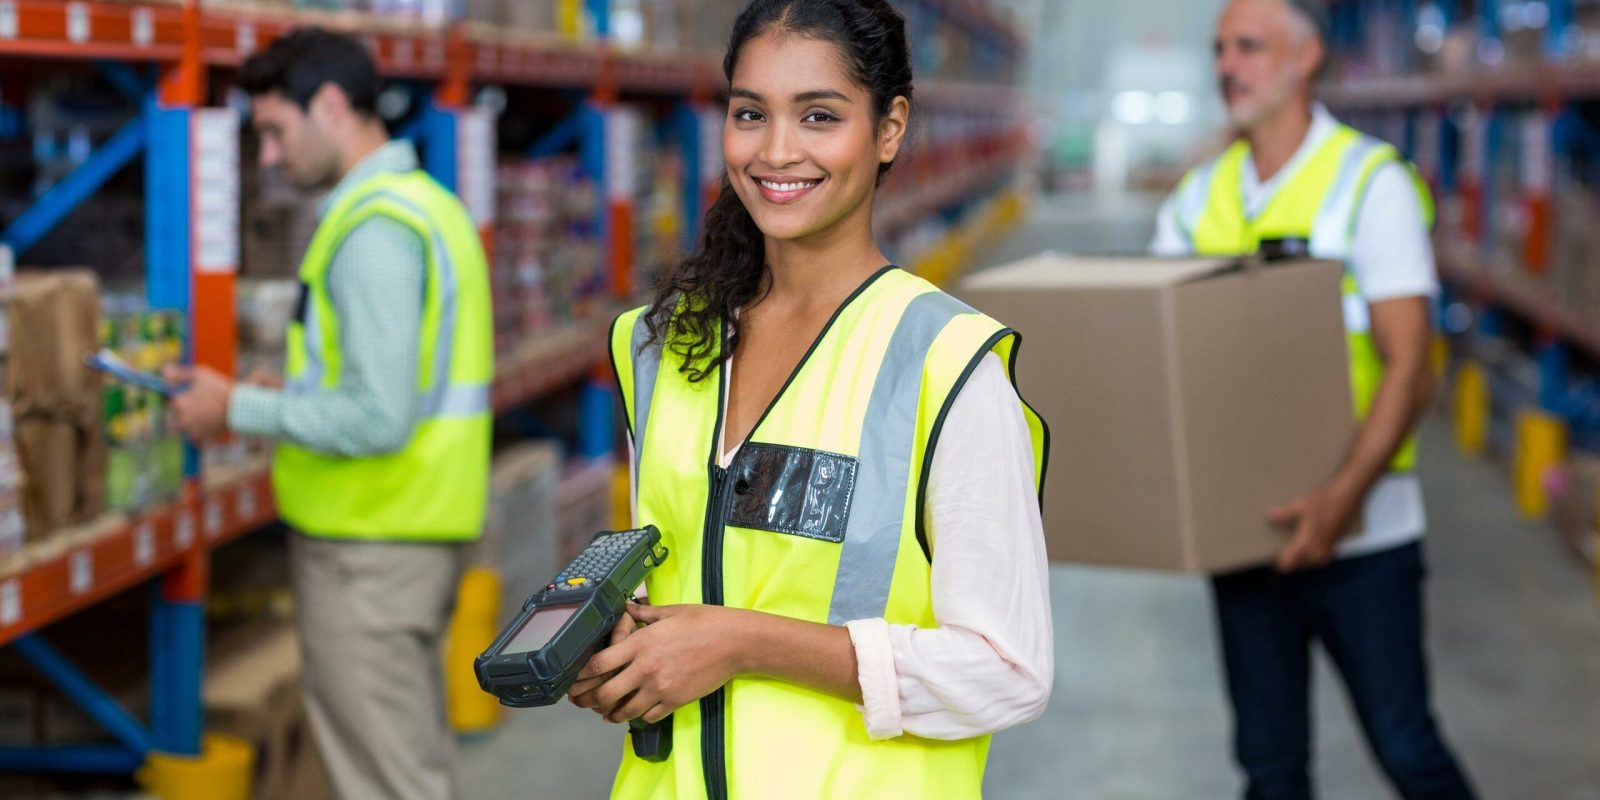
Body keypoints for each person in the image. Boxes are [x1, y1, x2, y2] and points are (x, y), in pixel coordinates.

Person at [567, 1, 1053, 797]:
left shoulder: (945, 365)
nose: (777, 151)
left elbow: (1008, 672)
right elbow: (686, 573)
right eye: (749, 113)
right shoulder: (657, 348)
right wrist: (626, 650)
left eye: (819, 115)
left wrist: (744, 644)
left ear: (889, 128)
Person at [1151, 1, 1477, 798]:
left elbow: (1412, 367)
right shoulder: (1196, 201)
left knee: (1408, 749)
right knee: (1269, 768)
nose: (1229, 64)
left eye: (1250, 46)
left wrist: (1338, 501)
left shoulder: (1371, 183)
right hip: (1244, 530)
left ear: (1306, 57)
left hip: (1365, 532)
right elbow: (1160, 359)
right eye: (1220, 48)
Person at [166, 27, 492, 800]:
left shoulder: (373, 229)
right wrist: (291, 396)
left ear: (334, 104)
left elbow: (378, 417)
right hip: (408, 533)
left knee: (388, 782)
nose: (270, 157)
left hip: (371, 549)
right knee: (408, 766)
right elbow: (392, 380)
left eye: (276, 131)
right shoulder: (424, 207)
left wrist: (234, 408)